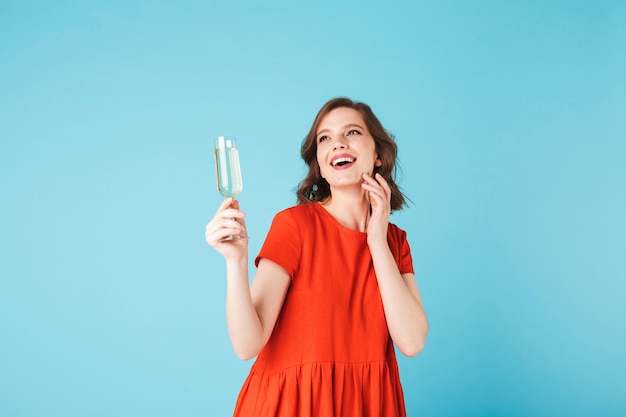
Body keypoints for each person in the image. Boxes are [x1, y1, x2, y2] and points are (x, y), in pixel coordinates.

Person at [205, 97, 428, 417]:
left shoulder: (395, 242)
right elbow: (247, 345)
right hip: (290, 406)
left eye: (352, 132)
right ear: (320, 163)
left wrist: (377, 241)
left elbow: (412, 342)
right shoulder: (294, 225)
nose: (337, 143)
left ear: (377, 155)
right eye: (325, 138)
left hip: (367, 406)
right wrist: (235, 261)